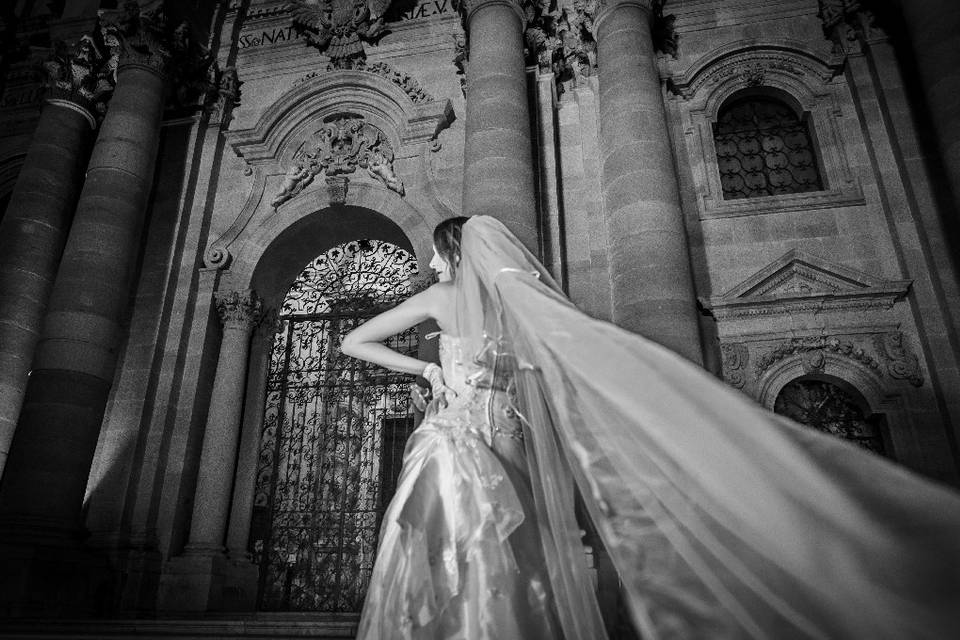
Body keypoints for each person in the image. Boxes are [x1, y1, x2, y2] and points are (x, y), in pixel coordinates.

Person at [343, 215, 960, 640]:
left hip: (456, 444)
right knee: (511, 555)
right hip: (510, 447)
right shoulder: (516, 314)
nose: (428, 261)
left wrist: (425, 368)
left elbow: (354, 341)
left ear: (453, 254)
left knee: (446, 549)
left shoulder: (437, 300)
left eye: (434, 251)